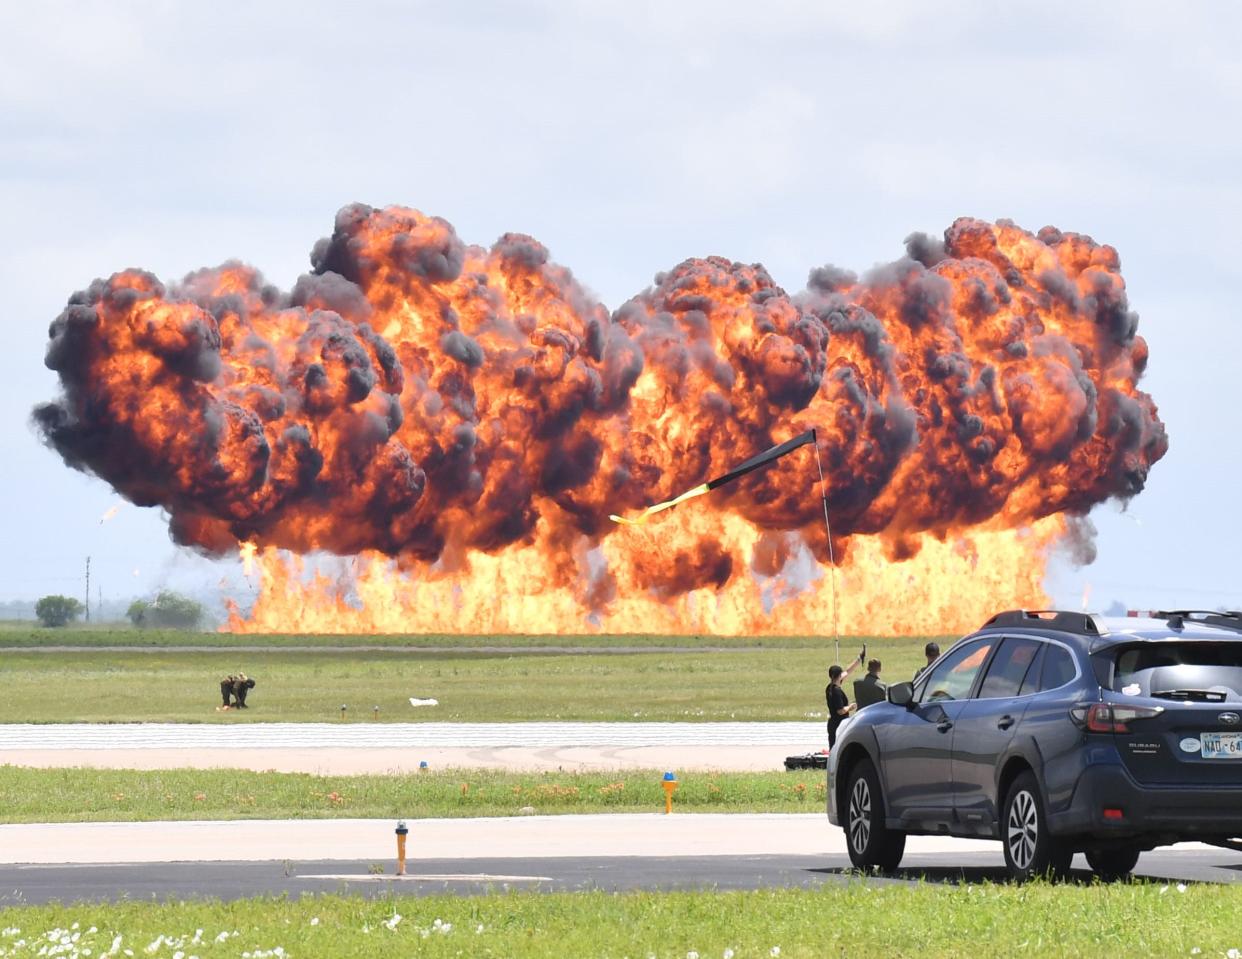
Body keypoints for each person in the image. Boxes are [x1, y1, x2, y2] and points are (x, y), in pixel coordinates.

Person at [826, 644, 866, 749]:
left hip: (833, 724)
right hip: (838, 724)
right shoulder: (836, 692)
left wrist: (859, 659)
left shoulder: (830, 687)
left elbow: (847, 671)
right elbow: (840, 710)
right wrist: (851, 707)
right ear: (838, 676)